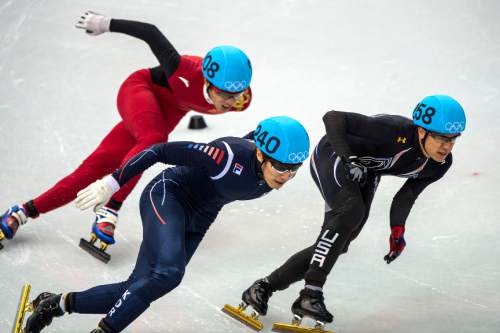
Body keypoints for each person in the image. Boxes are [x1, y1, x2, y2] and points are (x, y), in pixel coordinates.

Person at [20, 116, 310, 333]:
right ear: (261, 154)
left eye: (294, 170)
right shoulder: (224, 156)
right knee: (169, 273)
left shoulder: (268, 158)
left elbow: (258, 135)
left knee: (137, 287)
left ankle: (55, 304)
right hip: (168, 196)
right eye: (281, 167)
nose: (285, 177)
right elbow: (158, 151)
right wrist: (112, 182)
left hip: (200, 217)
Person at [0, 11, 253, 255]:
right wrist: (105, 23)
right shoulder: (183, 69)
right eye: (225, 95)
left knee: (93, 168)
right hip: (141, 90)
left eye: (237, 95)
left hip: (167, 112)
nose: (231, 101)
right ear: (208, 81)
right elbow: (151, 33)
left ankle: (21, 212)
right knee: (154, 141)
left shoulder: (242, 99)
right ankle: (111, 207)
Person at [237, 95, 466, 329]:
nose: (446, 146)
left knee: (342, 241)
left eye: (453, 139)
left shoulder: (440, 164)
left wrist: (397, 229)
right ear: (421, 132)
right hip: (335, 154)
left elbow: (407, 195)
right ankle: (311, 293)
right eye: (440, 138)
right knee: (351, 211)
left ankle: (263, 287)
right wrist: (350, 159)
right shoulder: (393, 130)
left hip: (366, 171)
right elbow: (333, 118)